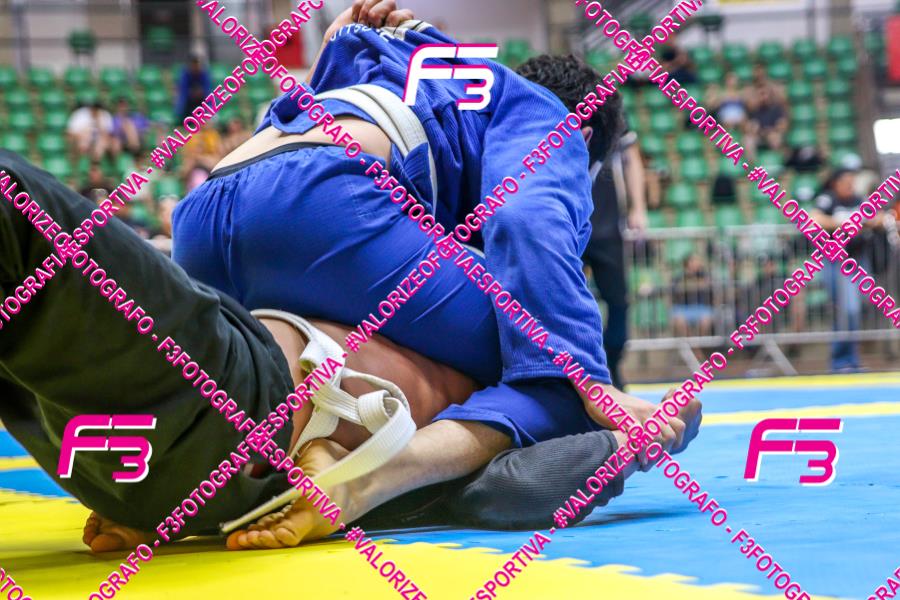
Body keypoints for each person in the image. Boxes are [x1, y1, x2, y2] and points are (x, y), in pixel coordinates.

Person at [170, 0, 700, 549]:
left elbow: (324, 88)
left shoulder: (427, 76)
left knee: (295, 356)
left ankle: (189, 487)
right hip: (319, 206)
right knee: (548, 372)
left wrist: (337, 40)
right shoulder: (544, 112)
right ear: (585, 141)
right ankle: (379, 477)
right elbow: (527, 218)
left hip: (203, 219)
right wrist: (589, 382)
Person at [0, 149, 701, 554]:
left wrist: (352, 485)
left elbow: (530, 478)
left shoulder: (513, 353)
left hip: (229, 405)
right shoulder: (438, 303)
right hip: (150, 472)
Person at [582, 124, 647, 389]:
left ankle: (612, 366)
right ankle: (574, 371)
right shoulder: (555, 105)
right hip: (568, 226)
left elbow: (631, 157)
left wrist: (638, 207)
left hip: (608, 228)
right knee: (564, 299)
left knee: (619, 301)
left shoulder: (612, 111)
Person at [811, 168, 884, 372]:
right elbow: (814, 218)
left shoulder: (859, 200)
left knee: (857, 308)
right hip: (837, 261)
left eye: (852, 181)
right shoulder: (828, 199)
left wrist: (870, 221)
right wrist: (843, 223)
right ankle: (841, 360)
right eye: (846, 181)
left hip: (859, 260)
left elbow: (879, 217)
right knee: (847, 309)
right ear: (836, 182)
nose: (850, 184)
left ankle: (850, 359)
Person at [671, 253, 715, 338]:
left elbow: (708, 285)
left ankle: (698, 344)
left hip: (701, 306)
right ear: (688, 263)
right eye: (695, 261)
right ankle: (693, 345)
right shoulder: (679, 276)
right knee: (680, 322)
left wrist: (692, 285)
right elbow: (678, 288)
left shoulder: (704, 274)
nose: (698, 263)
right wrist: (696, 285)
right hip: (683, 307)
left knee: (706, 321)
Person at [175, 54, 212, 122]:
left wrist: (200, 92)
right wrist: (192, 93)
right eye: (193, 64)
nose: (195, 67)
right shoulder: (185, 74)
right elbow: (183, 91)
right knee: (181, 107)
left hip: (201, 102)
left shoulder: (204, 74)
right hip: (188, 103)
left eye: (197, 64)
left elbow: (207, 90)